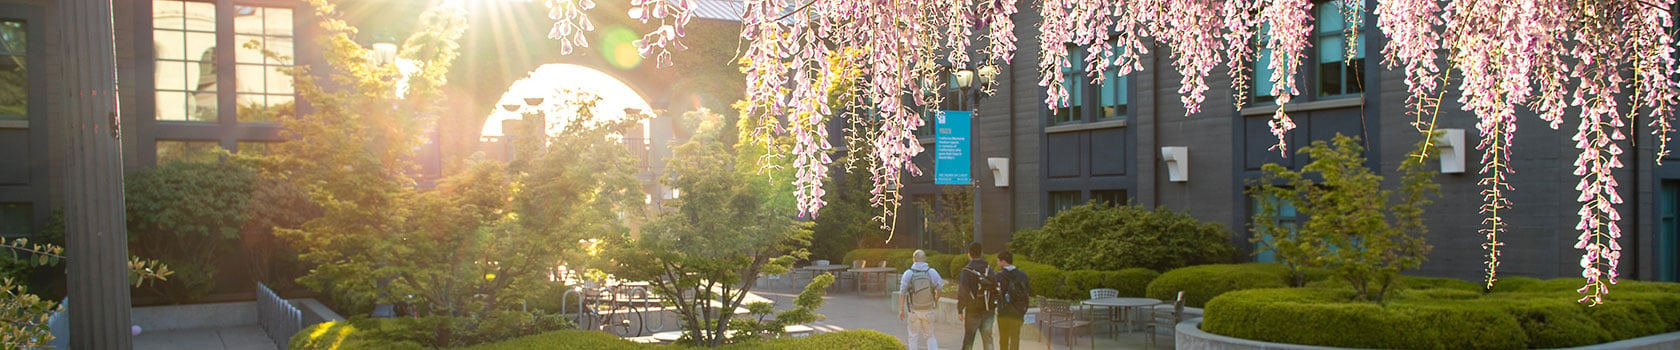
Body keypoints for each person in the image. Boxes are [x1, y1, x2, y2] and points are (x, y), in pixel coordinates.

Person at [899, 249, 945, 350]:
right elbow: (940, 287)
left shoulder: (908, 273)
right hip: (928, 309)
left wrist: (901, 309)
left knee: (913, 336)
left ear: (913, 259)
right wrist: (936, 300)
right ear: (925, 259)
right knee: (930, 336)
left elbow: (902, 292)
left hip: (914, 310)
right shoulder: (931, 272)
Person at [958, 242, 996, 350]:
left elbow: (962, 292)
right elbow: (994, 287)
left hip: (972, 311)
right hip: (988, 309)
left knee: (969, 339)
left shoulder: (966, 271)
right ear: (982, 253)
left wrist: (960, 309)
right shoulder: (989, 269)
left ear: (969, 254)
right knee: (987, 338)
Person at [994, 250, 1030, 350]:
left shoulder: (998, 276)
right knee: (1015, 337)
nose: (997, 263)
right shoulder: (1023, 275)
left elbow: (995, 295)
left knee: (1003, 338)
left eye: (998, 261)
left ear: (1004, 262)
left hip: (1003, 312)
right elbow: (1027, 294)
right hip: (1018, 312)